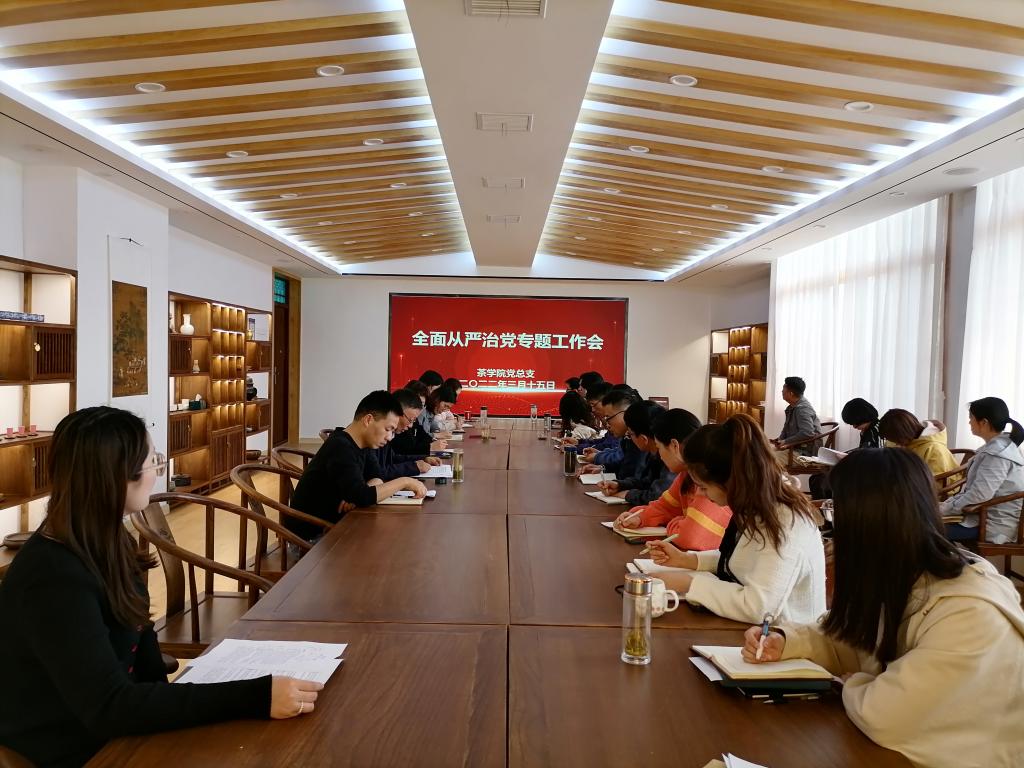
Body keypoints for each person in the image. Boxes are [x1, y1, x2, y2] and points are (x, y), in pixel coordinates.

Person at [0, 407, 322, 768]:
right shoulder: (52, 577)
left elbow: (144, 651)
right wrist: (256, 696)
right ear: (116, 475)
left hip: (126, 733)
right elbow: (108, 707)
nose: (158, 471)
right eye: (152, 461)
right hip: (78, 748)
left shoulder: (109, 539)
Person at [741, 448, 1024, 768]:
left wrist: (853, 685)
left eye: (836, 510)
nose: (833, 526)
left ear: (868, 521)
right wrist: (786, 641)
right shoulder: (904, 575)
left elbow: (886, 717)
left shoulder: (969, 613)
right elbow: (853, 638)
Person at [647, 414, 826, 624]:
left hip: (783, 636)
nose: (701, 495)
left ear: (730, 481)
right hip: (755, 632)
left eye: (703, 487)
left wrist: (689, 583)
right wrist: (686, 560)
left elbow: (759, 607)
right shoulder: (756, 505)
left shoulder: (786, 521)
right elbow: (741, 560)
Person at [289, 391, 428, 541]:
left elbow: (377, 476)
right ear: (368, 420)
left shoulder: (364, 444)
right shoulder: (340, 446)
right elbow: (363, 496)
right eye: (388, 429)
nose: (389, 437)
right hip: (315, 537)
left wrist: (361, 493)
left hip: (340, 523)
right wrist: (405, 482)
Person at [613, 408, 731, 550]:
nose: (659, 455)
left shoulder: (708, 479)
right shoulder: (685, 475)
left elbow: (691, 538)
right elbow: (665, 507)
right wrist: (639, 517)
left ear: (674, 445)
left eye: (659, 448)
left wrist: (676, 521)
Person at [941, 397, 1024, 544]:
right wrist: (944, 506)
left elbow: (979, 495)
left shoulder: (997, 454)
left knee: (921, 529)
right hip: (981, 517)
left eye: (971, 418)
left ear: (984, 422)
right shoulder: (1002, 446)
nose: (969, 422)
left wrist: (944, 509)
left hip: (991, 524)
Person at [596, 400, 673, 506]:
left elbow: (658, 496)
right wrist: (620, 485)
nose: (629, 438)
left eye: (630, 434)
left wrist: (628, 494)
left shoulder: (669, 458)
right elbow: (646, 481)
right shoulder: (653, 453)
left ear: (644, 439)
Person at [372, 388, 442, 481]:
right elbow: (377, 473)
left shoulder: (388, 434)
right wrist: (412, 469)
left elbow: (392, 458)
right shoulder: (373, 437)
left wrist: (423, 458)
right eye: (410, 420)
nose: (411, 426)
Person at [579, 386, 642, 476]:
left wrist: (597, 456)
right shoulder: (627, 437)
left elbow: (619, 459)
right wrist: (603, 467)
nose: (607, 424)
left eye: (608, 418)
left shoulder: (641, 439)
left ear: (626, 412)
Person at [877, 409, 959, 478]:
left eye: (897, 440)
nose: (896, 444)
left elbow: (937, 484)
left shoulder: (934, 449)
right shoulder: (897, 440)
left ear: (903, 435)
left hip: (923, 488)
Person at [771, 376, 822, 456]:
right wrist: (780, 440)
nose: (782, 391)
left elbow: (807, 433)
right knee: (763, 452)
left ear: (791, 393)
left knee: (768, 458)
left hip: (804, 452)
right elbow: (786, 428)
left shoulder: (802, 409)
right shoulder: (793, 406)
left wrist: (786, 442)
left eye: (784, 389)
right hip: (793, 446)